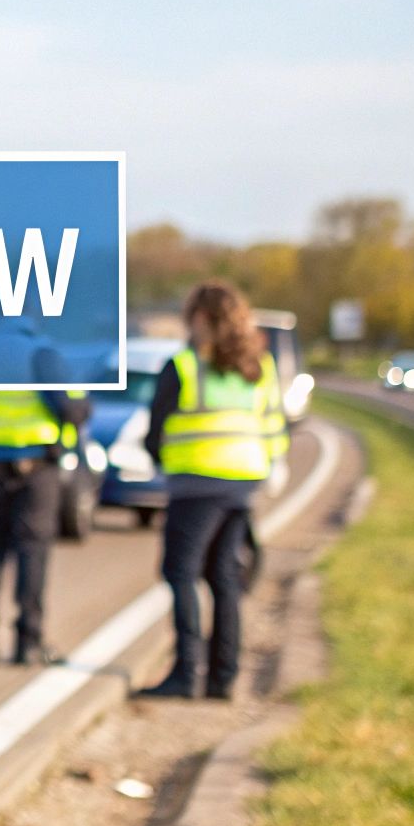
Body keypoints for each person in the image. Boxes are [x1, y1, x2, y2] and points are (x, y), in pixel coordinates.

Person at [139, 280, 288, 700]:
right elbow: (273, 423)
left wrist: (162, 459)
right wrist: (275, 464)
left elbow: (155, 430)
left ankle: (185, 673)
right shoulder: (259, 366)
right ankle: (224, 678)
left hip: (197, 485)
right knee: (224, 578)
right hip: (244, 482)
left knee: (180, 572)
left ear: (201, 319)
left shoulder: (184, 366)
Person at [0, 319, 92, 665]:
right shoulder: (40, 352)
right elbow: (66, 408)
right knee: (32, 552)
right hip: (33, 467)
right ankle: (27, 642)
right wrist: (83, 407)